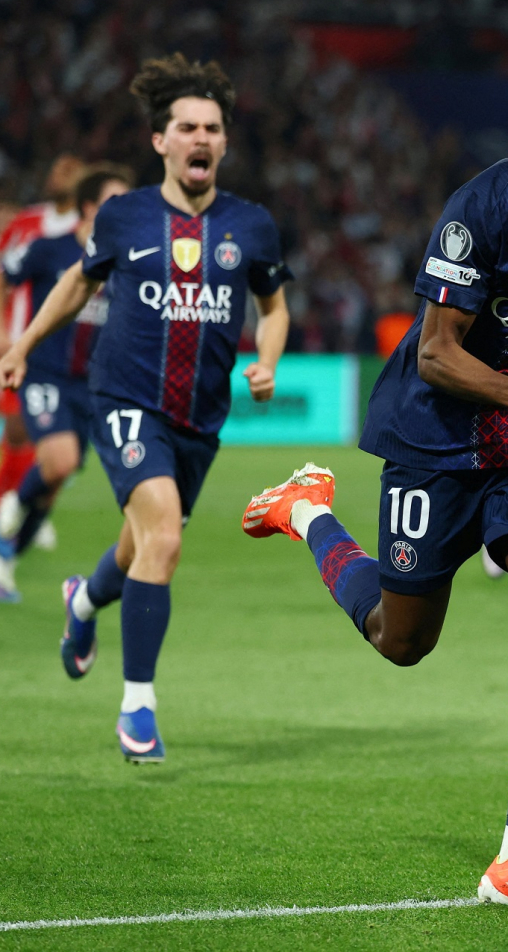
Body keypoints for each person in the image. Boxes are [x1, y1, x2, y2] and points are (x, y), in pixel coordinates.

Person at [241, 64, 508, 911]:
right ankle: (308, 513)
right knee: (402, 638)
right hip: (437, 434)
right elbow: (436, 352)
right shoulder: (490, 204)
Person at [0, 53, 292, 760]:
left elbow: (273, 304)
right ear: (160, 140)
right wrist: (24, 343)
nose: (201, 137)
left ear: (224, 142)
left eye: (213, 127)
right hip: (126, 397)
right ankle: (138, 707)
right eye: (186, 126)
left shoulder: (250, 225)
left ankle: (81, 601)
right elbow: (76, 281)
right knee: (163, 537)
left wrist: (268, 359)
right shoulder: (126, 216)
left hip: (200, 416)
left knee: (141, 545)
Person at [0, 164, 134, 602]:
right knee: (58, 461)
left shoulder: (125, 262)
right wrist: (6, 335)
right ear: (90, 207)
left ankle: (8, 560)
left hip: (91, 386)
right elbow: (6, 276)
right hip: (44, 372)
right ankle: (12, 506)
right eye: (116, 200)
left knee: (56, 480)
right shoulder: (49, 249)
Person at [0, 154, 84, 530]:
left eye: (69, 169)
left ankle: (29, 503)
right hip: (22, 345)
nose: (58, 173)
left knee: (60, 449)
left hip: (76, 359)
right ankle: (13, 504)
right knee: (18, 429)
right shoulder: (28, 222)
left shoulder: (90, 231)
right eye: (55, 167)